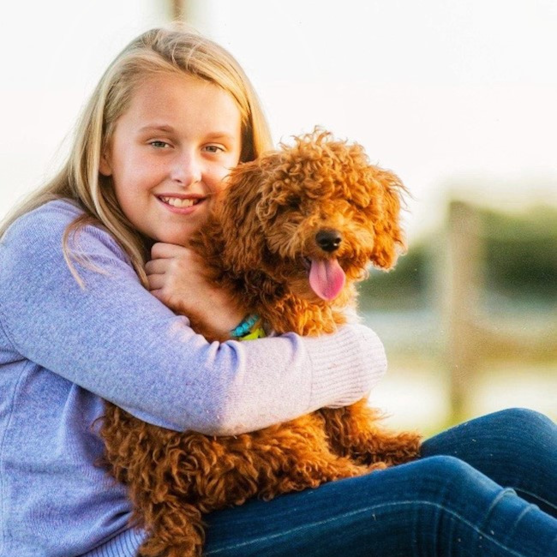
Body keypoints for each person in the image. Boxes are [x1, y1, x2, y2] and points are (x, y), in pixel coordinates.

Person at [0, 24, 555, 557]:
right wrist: (326, 347)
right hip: (135, 540)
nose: (188, 171)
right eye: (160, 143)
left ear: (243, 163)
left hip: (235, 505)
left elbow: (333, 342)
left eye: (214, 148)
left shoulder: (213, 248)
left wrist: (239, 318)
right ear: (103, 150)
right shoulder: (55, 247)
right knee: (437, 500)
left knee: (514, 437)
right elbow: (211, 395)